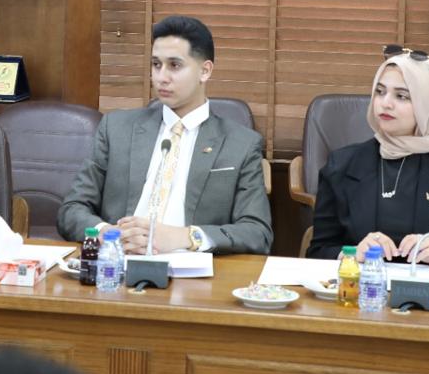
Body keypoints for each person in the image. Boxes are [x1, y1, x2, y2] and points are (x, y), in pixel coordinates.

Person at [57, 16, 272, 255]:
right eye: (156, 64)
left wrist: (186, 237)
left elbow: (257, 232)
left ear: (205, 71)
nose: (161, 77)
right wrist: (109, 234)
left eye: (175, 66)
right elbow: (72, 210)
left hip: (191, 266)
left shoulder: (240, 144)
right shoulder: (116, 129)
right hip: (118, 262)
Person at [308, 47, 429, 267]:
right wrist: (353, 253)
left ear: (426, 104)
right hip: (362, 285)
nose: (386, 103)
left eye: (401, 96)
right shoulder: (342, 164)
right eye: (380, 92)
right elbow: (317, 252)